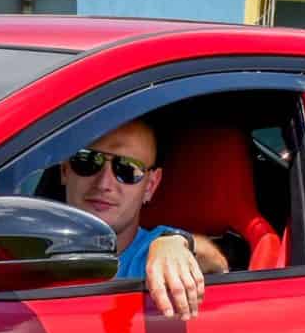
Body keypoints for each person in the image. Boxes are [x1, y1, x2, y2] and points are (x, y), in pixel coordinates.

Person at [59, 119, 229, 319]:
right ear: (64, 169)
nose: (104, 183)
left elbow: (215, 263)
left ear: (150, 185)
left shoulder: (152, 251)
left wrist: (175, 243)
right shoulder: (29, 242)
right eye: (87, 161)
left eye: (127, 169)